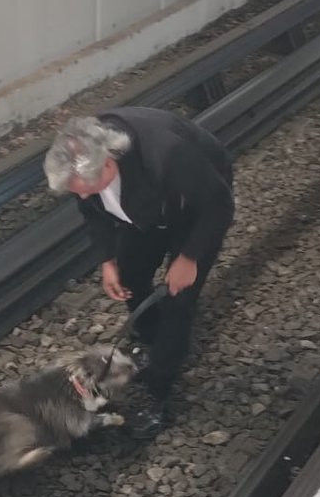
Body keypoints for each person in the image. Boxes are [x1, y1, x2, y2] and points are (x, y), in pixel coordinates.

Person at [43, 107, 234, 437]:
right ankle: (153, 340)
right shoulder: (86, 171)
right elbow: (93, 213)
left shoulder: (168, 157)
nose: (84, 196)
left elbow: (219, 204)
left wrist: (188, 258)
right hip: (142, 211)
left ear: (109, 163)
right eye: (77, 191)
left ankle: (160, 389)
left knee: (178, 299)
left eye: (87, 188)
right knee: (131, 277)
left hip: (192, 210)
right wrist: (107, 260)